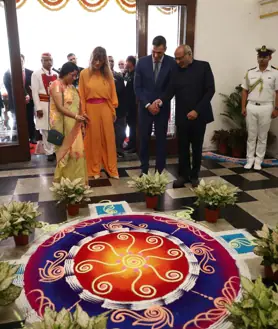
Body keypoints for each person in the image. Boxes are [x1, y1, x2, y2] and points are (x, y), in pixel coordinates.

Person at [156, 44, 215, 188]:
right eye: (176, 59)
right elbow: (170, 90)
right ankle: (183, 175)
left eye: (180, 58)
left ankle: (194, 175)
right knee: (182, 147)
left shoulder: (203, 67)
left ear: (189, 55)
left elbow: (210, 90)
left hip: (199, 116)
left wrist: (197, 111)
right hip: (182, 115)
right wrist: (161, 100)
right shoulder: (175, 69)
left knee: (196, 147)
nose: (177, 62)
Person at [134, 35, 176, 174]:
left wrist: (160, 102)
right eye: (154, 52)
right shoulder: (142, 62)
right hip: (145, 109)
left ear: (165, 50)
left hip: (162, 108)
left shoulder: (171, 63)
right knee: (144, 139)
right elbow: (137, 87)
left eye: (159, 52)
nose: (156, 55)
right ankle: (144, 169)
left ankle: (160, 170)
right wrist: (147, 104)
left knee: (161, 140)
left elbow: (171, 87)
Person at [79, 47, 119, 179]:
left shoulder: (108, 75)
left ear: (104, 61)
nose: (97, 63)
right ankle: (94, 169)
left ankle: (111, 168)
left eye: (101, 61)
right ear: (92, 58)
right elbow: (82, 96)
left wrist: (113, 109)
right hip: (90, 109)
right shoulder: (84, 73)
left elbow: (113, 93)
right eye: (96, 60)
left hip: (106, 108)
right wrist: (83, 112)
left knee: (109, 139)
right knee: (93, 139)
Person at [49, 62, 89, 183]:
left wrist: (82, 114)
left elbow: (77, 105)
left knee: (77, 151)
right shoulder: (56, 84)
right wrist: (76, 116)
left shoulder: (71, 87)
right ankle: (64, 181)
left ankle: (77, 180)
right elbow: (60, 107)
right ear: (65, 73)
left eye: (76, 75)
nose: (74, 78)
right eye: (73, 75)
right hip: (62, 125)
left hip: (74, 123)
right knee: (65, 152)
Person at [242, 45, 278, 171]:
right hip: (251, 106)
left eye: (265, 57)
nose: (262, 59)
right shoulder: (250, 72)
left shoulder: (275, 73)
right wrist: (243, 107)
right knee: (251, 135)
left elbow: (277, 92)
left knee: (262, 136)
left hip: (266, 107)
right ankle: (249, 159)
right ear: (257, 58)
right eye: (260, 57)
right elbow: (245, 90)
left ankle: (258, 160)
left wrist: (276, 108)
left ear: (270, 58)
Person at [31, 53, 57, 161]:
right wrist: (38, 108)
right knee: (45, 130)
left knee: (54, 128)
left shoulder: (56, 74)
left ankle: (54, 149)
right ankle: (48, 151)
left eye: (50, 60)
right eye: (46, 60)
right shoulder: (36, 74)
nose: (49, 62)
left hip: (54, 106)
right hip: (43, 104)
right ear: (41, 61)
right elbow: (35, 92)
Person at [108, 55, 126, 158]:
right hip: (106, 109)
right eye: (108, 61)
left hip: (119, 109)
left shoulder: (118, 76)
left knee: (120, 132)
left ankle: (119, 150)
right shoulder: (100, 77)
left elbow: (121, 92)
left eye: (112, 61)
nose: (110, 62)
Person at [21, 54, 37, 144]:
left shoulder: (30, 72)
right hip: (18, 101)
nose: (20, 62)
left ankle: (33, 136)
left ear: (24, 61)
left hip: (29, 100)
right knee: (19, 120)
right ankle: (23, 138)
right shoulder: (12, 73)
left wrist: (29, 96)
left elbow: (33, 87)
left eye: (21, 61)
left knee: (30, 118)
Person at [124, 55, 137, 153]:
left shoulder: (135, 74)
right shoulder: (128, 73)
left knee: (133, 125)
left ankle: (133, 145)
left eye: (127, 61)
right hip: (128, 104)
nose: (125, 63)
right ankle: (130, 143)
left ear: (131, 63)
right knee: (130, 124)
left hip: (134, 104)